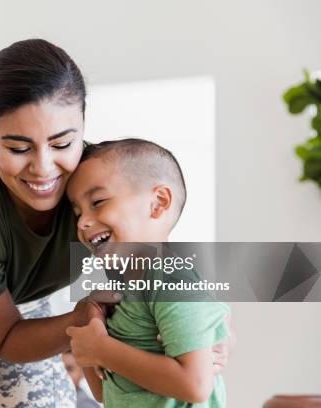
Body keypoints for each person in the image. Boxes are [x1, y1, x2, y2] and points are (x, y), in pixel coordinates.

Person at [0, 39, 232, 407]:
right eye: (18, 148)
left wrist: (205, 328)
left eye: (63, 144)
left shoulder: (97, 186)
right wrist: (84, 323)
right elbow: (6, 336)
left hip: (23, 305)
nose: (44, 168)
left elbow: (162, 261)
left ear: (82, 126)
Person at [66, 139, 230, 407]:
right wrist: (89, 322)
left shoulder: (172, 279)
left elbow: (195, 385)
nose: (83, 221)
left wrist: (101, 349)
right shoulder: (115, 293)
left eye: (98, 202)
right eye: (77, 213)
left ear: (158, 203)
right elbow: (105, 393)